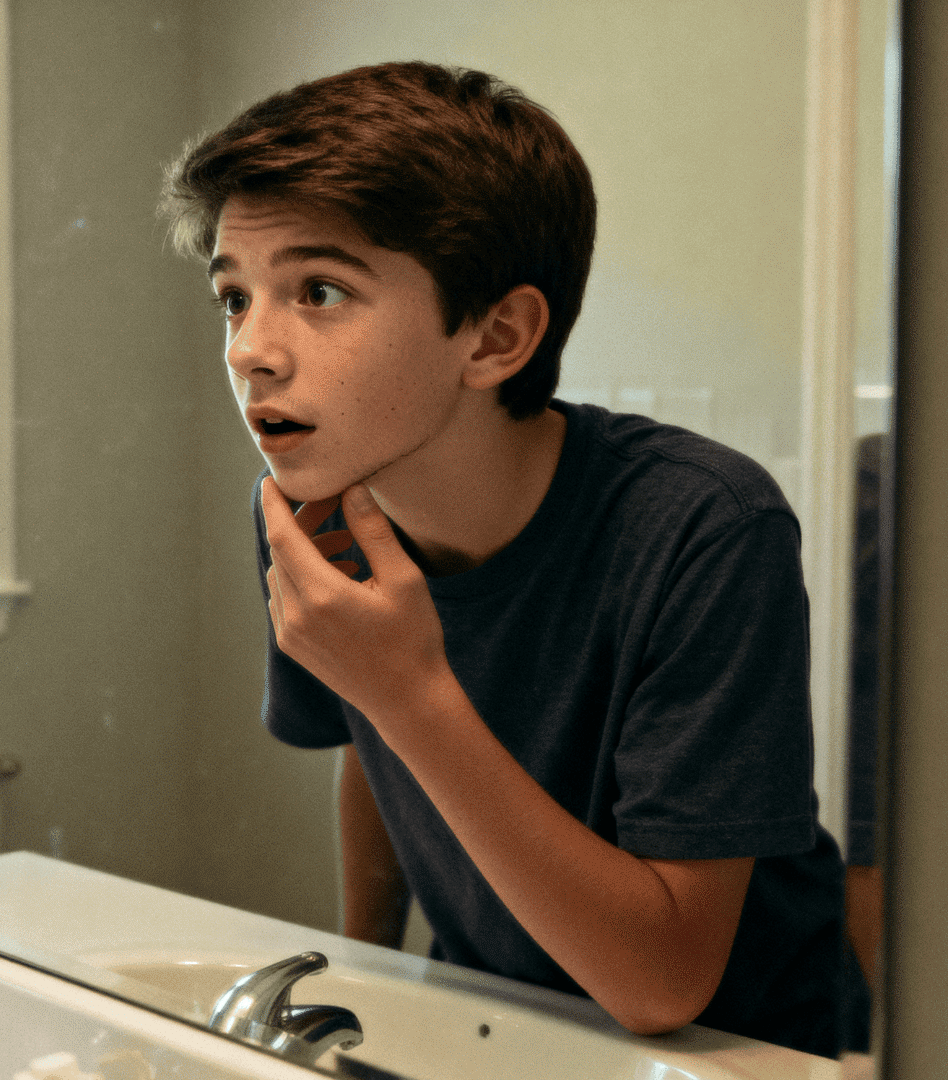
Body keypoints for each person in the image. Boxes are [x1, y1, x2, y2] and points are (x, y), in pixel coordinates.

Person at [161, 61, 864, 1057]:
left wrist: (407, 690)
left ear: (498, 335)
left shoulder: (705, 528)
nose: (250, 350)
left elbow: (664, 982)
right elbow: (370, 750)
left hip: (735, 1050)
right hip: (487, 1022)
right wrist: (362, 978)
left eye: (318, 291)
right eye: (235, 298)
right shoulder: (309, 505)